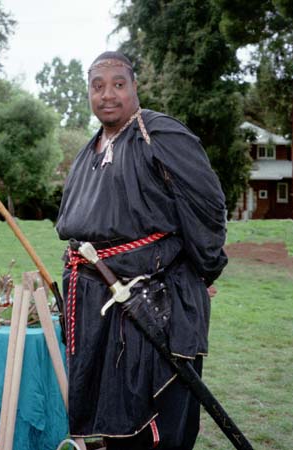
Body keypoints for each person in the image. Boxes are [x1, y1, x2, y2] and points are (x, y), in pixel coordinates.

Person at [56, 51, 228, 450]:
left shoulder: (160, 134)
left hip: (153, 302)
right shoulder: (90, 151)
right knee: (117, 426)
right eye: (98, 86)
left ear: (135, 87)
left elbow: (207, 207)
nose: (107, 95)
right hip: (99, 302)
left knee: (158, 424)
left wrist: (203, 272)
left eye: (118, 84)